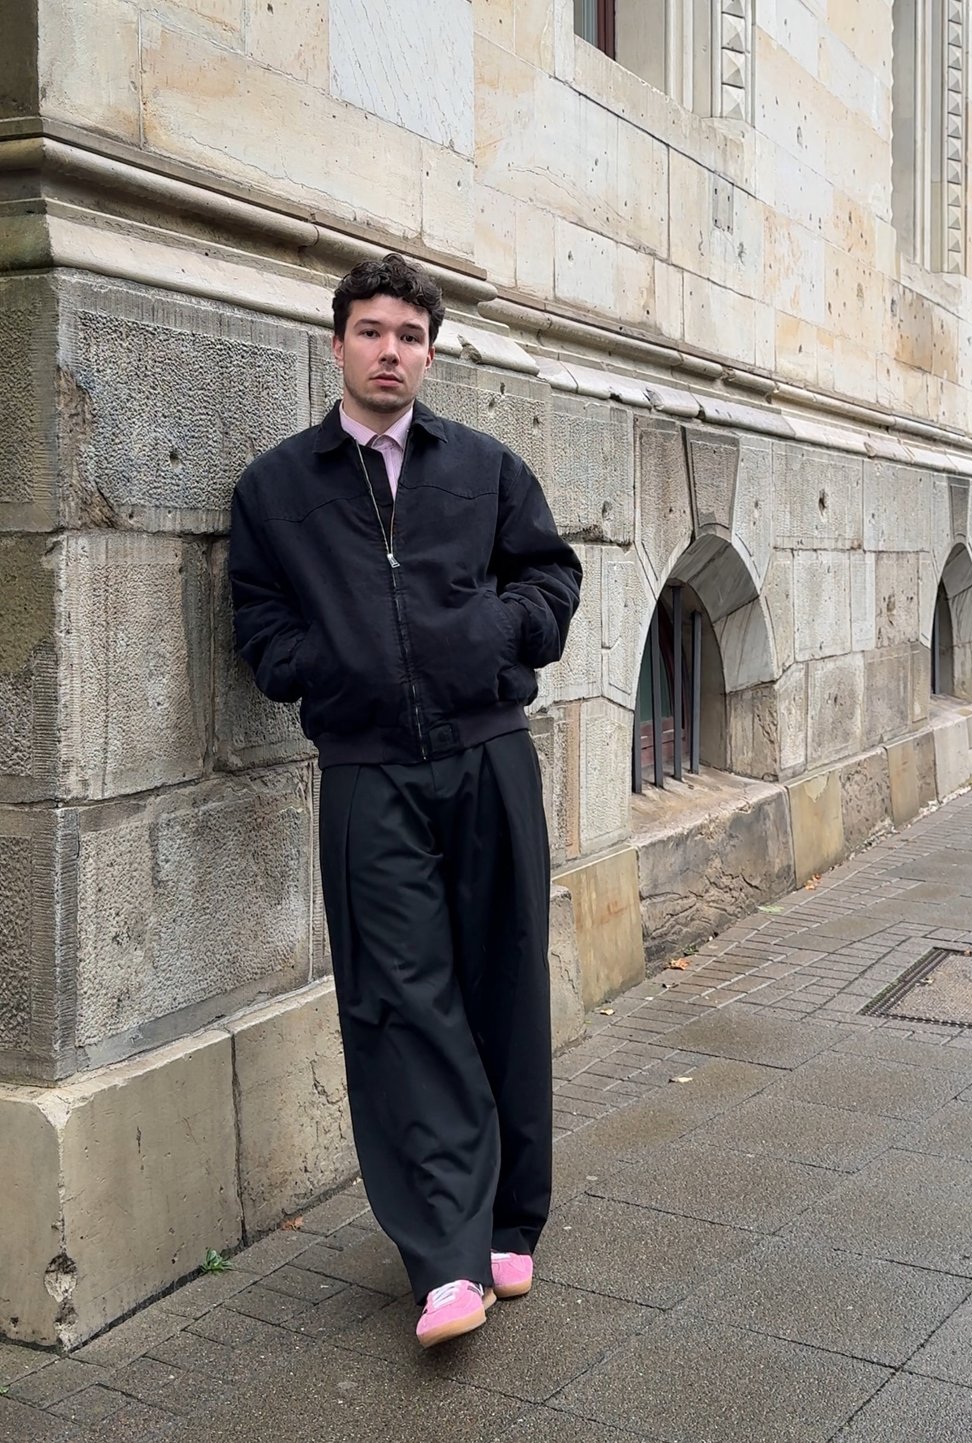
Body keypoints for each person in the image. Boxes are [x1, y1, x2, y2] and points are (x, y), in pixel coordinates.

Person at [229, 253, 582, 1348]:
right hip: (366, 773)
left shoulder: (483, 468)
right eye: (372, 332)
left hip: (487, 755)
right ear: (335, 343)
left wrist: (490, 638)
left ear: (430, 353)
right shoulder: (276, 487)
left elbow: (550, 583)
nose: (391, 352)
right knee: (397, 1001)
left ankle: (512, 1216)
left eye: (410, 337)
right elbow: (259, 626)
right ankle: (443, 1258)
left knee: (503, 981)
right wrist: (323, 671)